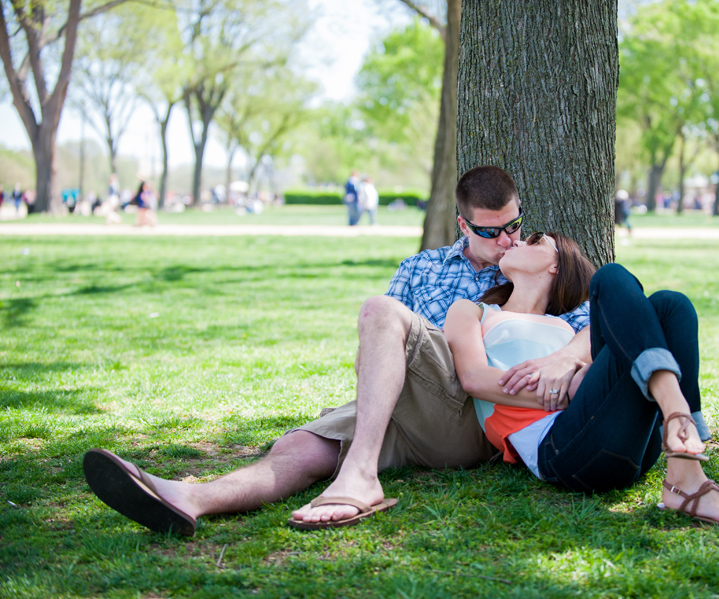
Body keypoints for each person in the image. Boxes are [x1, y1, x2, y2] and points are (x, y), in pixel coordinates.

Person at [82, 166, 594, 535]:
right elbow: (374, 348)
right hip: (403, 406)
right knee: (300, 449)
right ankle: (190, 497)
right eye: (491, 231)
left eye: (514, 226)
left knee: (379, 310)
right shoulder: (422, 268)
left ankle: (361, 475)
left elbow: (595, 326)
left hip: (469, 412)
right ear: (463, 225)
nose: (508, 240)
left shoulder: (532, 278)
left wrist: (568, 354)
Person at [443, 231, 719, 527]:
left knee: (671, 305)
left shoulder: (568, 331)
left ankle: (683, 460)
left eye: (535, 239)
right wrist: (569, 389)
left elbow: (593, 370)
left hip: (630, 445)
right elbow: (473, 378)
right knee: (613, 278)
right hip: (562, 450)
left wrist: (568, 360)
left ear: (557, 265)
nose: (516, 240)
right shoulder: (475, 312)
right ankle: (680, 425)